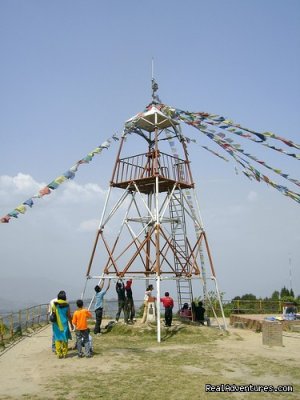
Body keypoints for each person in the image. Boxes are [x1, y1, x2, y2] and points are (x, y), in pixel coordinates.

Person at [51, 290, 73, 359]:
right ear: (65, 297)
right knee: (64, 338)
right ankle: (64, 353)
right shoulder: (67, 305)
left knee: (57, 338)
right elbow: (69, 315)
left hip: (56, 324)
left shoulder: (54, 304)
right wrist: (71, 324)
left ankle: (59, 354)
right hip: (64, 324)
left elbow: (53, 314)